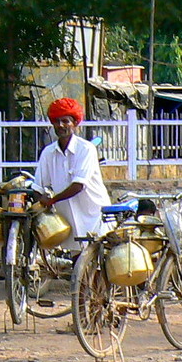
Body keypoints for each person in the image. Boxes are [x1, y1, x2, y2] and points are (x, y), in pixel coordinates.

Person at [32, 97, 111, 251]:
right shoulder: (48, 153)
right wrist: (41, 201)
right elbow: (38, 186)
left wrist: (52, 200)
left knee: (98, 264)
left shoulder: (86, 149)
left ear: (74, 123)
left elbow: (78, 185)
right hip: (67, 220)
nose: (61, 125)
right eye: (57, 121)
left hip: (94, 215)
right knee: (76, 265)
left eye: (66, 121)